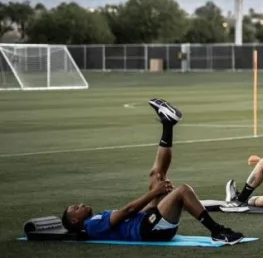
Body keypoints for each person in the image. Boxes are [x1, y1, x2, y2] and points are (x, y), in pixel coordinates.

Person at [60, 99, 244, 244]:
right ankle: (217, 232)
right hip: (149, 230)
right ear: (75, 221)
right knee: (183, 190)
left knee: (157, 176)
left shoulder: (96, 220)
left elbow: (132, 215)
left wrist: (155, 195)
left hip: (147, 220)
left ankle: (168, 124)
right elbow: (128, 210)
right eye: (76, 208)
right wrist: (155, 193)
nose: (80, 204)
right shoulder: (92, 225)